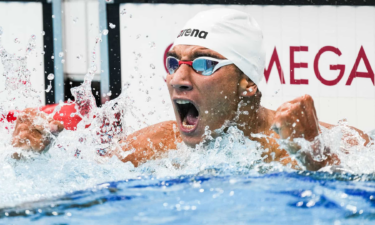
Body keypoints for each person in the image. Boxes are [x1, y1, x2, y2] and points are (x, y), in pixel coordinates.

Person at [11, 8, 371, 171]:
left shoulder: (311, 142)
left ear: (247, 84)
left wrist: (318, 156)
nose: (178, 78)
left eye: (203, 63)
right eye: (174, 62)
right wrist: (33, 156)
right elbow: (85, 177)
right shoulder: (153, 147)